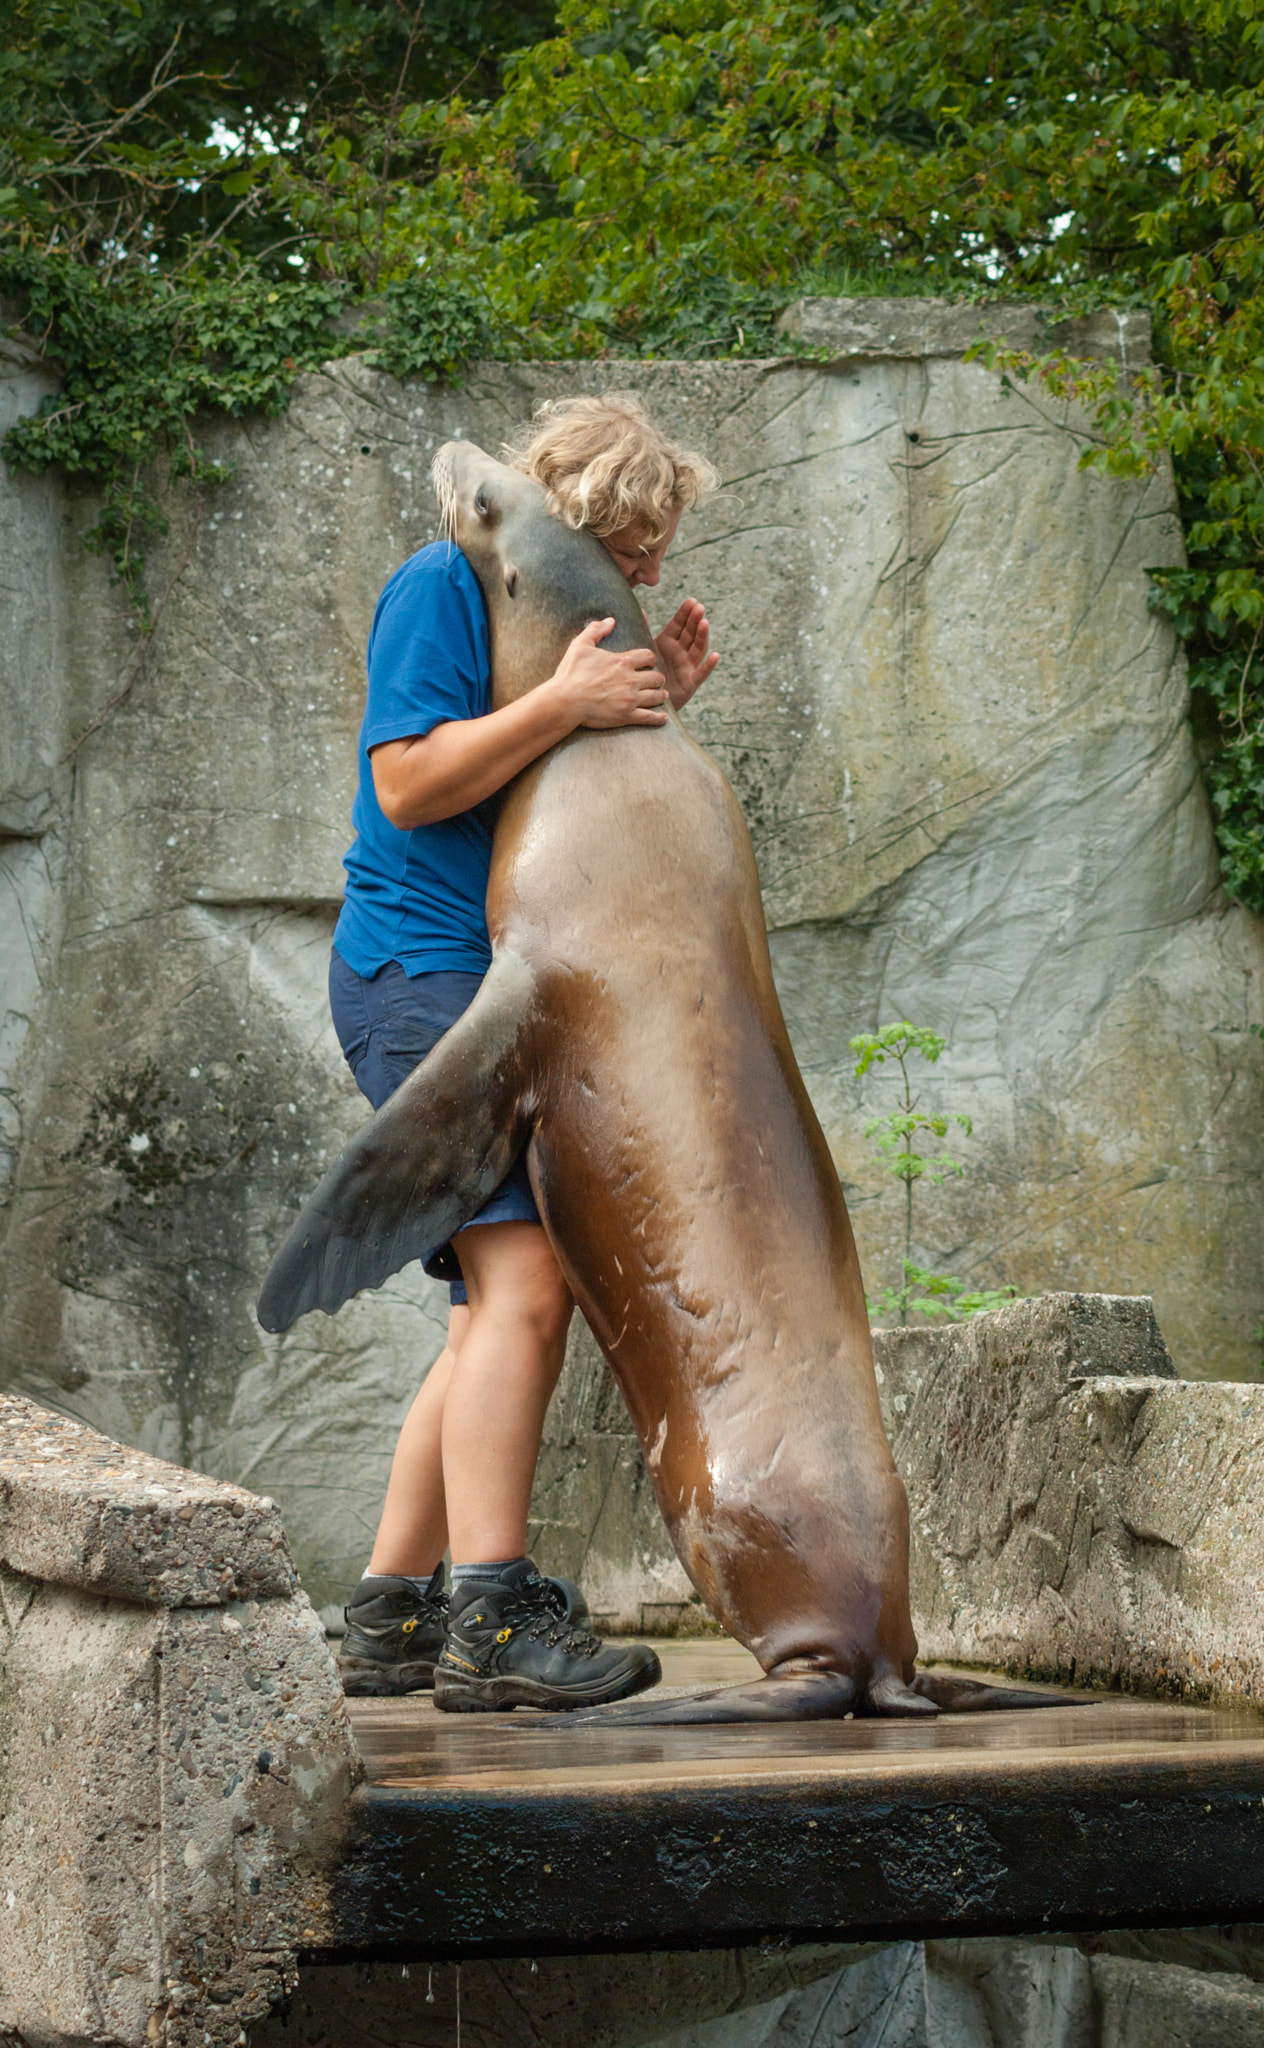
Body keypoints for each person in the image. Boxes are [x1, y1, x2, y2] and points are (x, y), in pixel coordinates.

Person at [329, 394, 720, 1711]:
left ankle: (389, 1614)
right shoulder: (440, 588)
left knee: (482, 1315)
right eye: (638, 535)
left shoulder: (545, 608)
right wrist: (567, 701)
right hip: (422, 981)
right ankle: (489, 1625)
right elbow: (410, 783)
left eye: (661, 546)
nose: (653, 564)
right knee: (531, 1288)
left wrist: (644, 699)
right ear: (576, 511)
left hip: (474, 976)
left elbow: (539, 785)